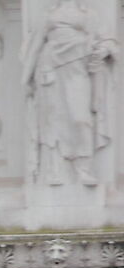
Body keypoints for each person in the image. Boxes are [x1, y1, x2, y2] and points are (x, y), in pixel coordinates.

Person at [24, 0, 115, 185]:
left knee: (81, 118)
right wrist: (25, 79)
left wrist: (104, 50)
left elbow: (106, 40)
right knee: (51, 120)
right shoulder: (48, 15)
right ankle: (53, 169)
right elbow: (35, 47)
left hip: (78, 68)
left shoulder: (88, 14)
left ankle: (83, 167)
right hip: (50, 68)